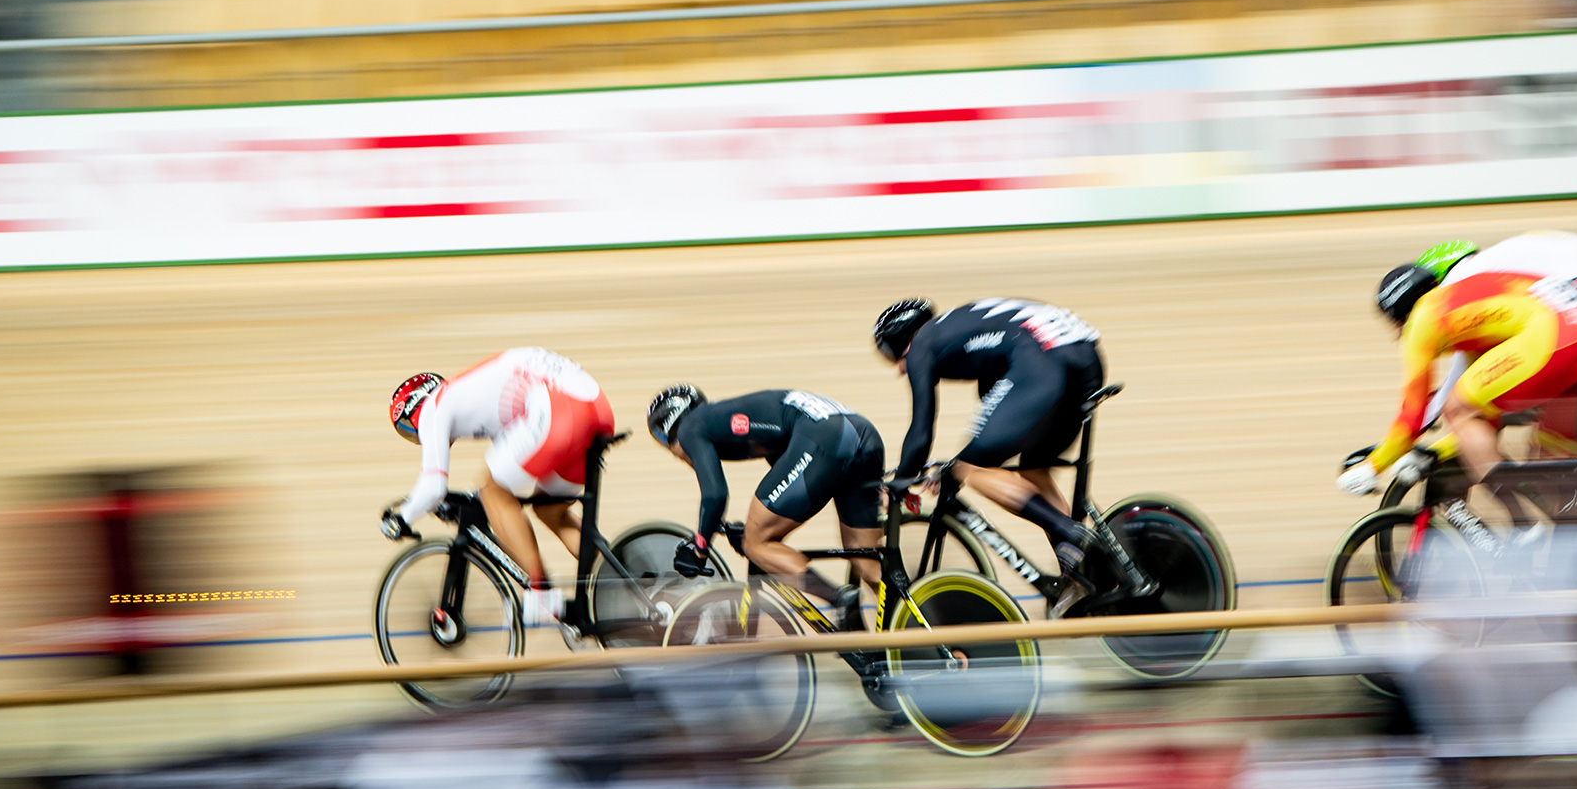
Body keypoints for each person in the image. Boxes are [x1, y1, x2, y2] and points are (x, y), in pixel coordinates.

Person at [873, 297, 1149, 613]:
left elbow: (921, 429)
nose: (897, 368)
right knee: (1033, 470)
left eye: (889, 353)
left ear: (902, 340)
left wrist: (902, 481)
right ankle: (1080, 574)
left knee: (971, 469)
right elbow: (999, 416)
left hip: (1040, 361)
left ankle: (1075, 534)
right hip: (1085, 359)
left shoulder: (922, 342)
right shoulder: (965, 327)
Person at [1337, 263, 1577, 499]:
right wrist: (1435, 452)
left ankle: (1520, 515)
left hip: (1559, 336)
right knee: (1551, 471)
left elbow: (1413, 413)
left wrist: (1372, 466)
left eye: (1395, 327)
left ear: (1402, 317)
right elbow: (1487, 418)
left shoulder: (1424, 317)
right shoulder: (1470, 311)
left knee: (1456, 408)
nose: (1397, 337)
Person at [385, 348, 614, 626]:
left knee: (492, 491)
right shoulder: (472, 396)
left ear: (414, 411)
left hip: (559, 409)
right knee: (551, 511)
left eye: (410, 430)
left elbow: (434, 485)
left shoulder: (435, 407)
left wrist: (402, 517)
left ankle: (540, 593)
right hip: (595, 407)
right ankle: (621, 581)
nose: (418, 437)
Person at [647, 386, 884, 631]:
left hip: (825, 437)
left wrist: (700, 550)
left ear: (669, 431)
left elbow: (715, 496)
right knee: (865, 560)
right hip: (861, 433)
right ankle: (907, 636)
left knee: (756, 543)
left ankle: (840, 598)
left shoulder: (689, 428)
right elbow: (790, 488)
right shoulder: (727, 417)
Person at [1410, 233, 1577, 437]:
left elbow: (1461, 369)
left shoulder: (1460, 282)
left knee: (1509, 391)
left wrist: (1423, 421)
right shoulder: (1495, 262)